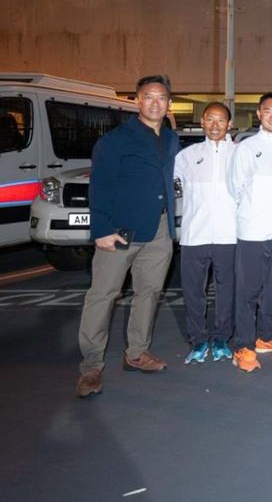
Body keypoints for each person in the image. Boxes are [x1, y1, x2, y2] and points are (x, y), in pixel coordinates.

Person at [76, 75, 179, 398]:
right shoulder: (116, 140)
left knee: (149, 293)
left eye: (161, 98)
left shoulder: (171, 138)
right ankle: (91, 365)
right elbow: (100, 185)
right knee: (103, 295)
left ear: (169, 103)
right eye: (149, 97)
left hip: (159, 230)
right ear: (137, 100)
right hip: (120, 231)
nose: (155, 103)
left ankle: (136, 353)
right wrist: (101, 230)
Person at [227, 92, 272, 373]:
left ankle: (268, 336)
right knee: (247, 292)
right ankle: (243, 345)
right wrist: (251, 212)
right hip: (252, 232)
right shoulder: (246, 147)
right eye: (267, 110)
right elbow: (234, 188)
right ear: (259, 114)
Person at [174, 101, 236, 365]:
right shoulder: (187, 156)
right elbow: (174, 190)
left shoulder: (240, 154)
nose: (215, 125)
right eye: (210, 119)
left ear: (229, 124)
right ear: (202, 122)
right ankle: (198, 339)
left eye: (221, 120)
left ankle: (222, 337)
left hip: (229, 235)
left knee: (227, 291)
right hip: (194, 235)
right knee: (193, 292)